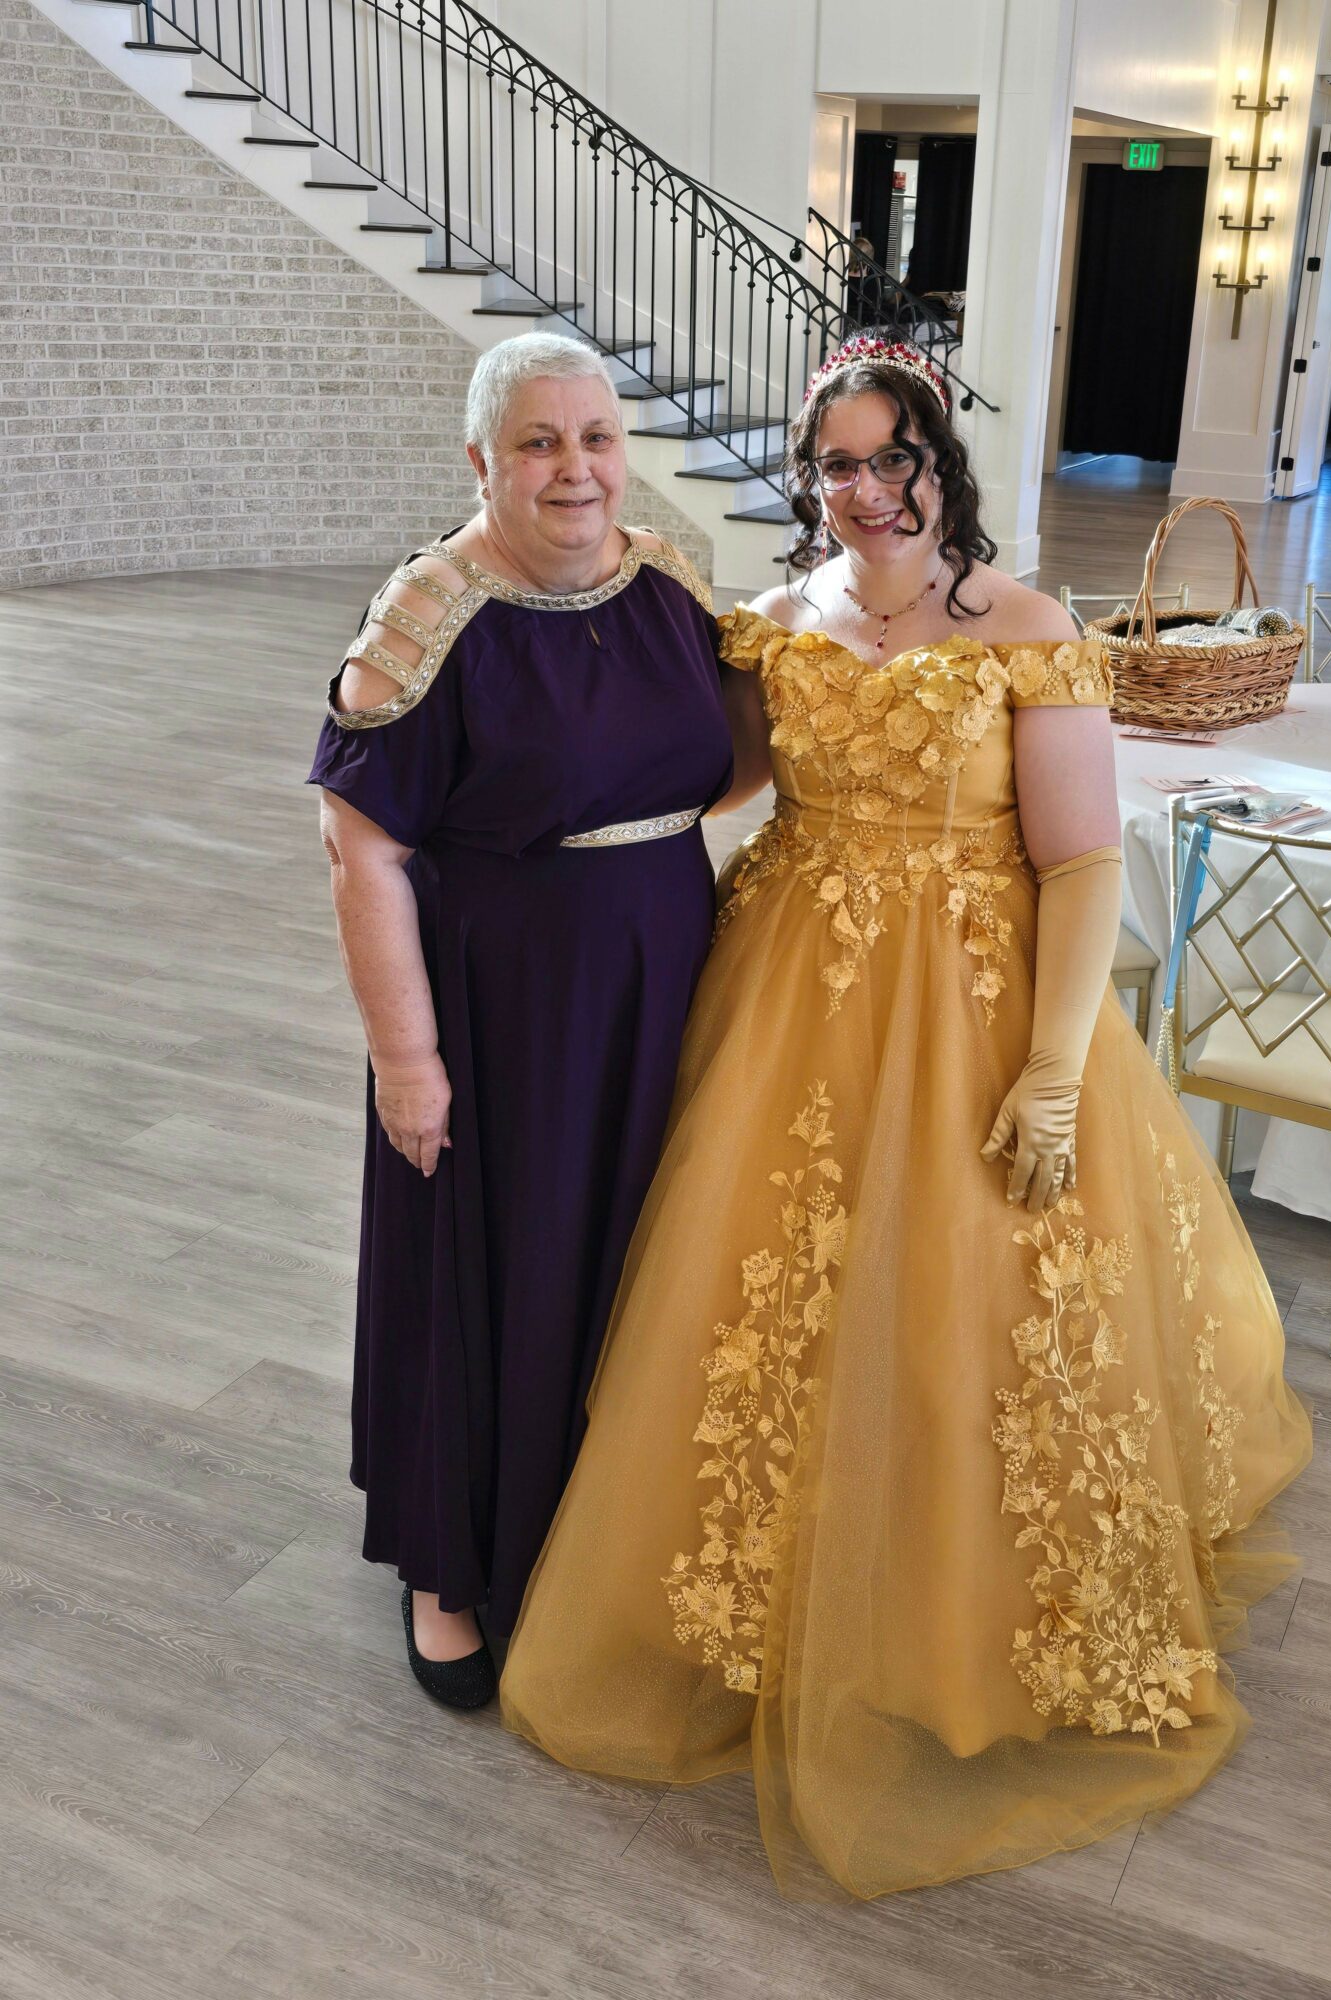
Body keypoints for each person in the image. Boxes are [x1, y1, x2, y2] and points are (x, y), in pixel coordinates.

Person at [497, 332, 1314, 1899]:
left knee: (959, 1313)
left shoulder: (1025, 629)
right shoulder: (778, 625)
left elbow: (1079, 864)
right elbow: (710, 784)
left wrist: (1058, 1069)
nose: (867, 492)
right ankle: (749, 1611)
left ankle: (942, 1631)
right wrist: (532, 800)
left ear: (942, 464)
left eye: (895, 459)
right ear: (808, 480)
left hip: (973, 1001)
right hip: (788, 993)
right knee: (758, 1309)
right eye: (839, 465)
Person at [309, 332, 747, 1708]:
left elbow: (731, 762)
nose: (576, 469)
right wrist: (409, 1059)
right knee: (487, 1252)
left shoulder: (667, 580)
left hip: (662, 967)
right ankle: (448, 1566)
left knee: (625, 1252)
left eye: (597, 437)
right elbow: (361, 847)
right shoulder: (428, 618)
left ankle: (583, 1523)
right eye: (540, 443)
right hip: (501, 997)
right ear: (482, 463)